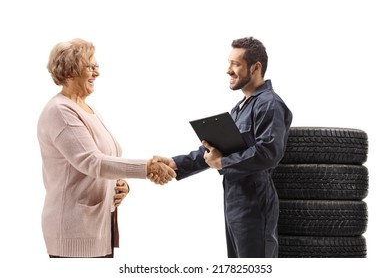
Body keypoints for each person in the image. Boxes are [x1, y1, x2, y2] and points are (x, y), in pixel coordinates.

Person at [153, 37, 293, 258]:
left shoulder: (270, 104)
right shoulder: (240, 108)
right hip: (235, 203)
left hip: (255, 205)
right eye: (229, 63)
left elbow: (269, 153)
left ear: (256, 67)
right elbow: (216, 150)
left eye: (235, 64)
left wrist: (223, 163)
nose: (228, 70)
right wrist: (175, 163)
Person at [37, 38, 176, 258]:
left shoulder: (85, 109)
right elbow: (92, 162)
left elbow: (103, 162)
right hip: (73, 230)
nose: (97, 73)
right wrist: (146, 168)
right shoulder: (60, 111)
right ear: (70, 72)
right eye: (90, 67)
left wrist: (119, 186)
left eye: (96, 66)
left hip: (98, 226)